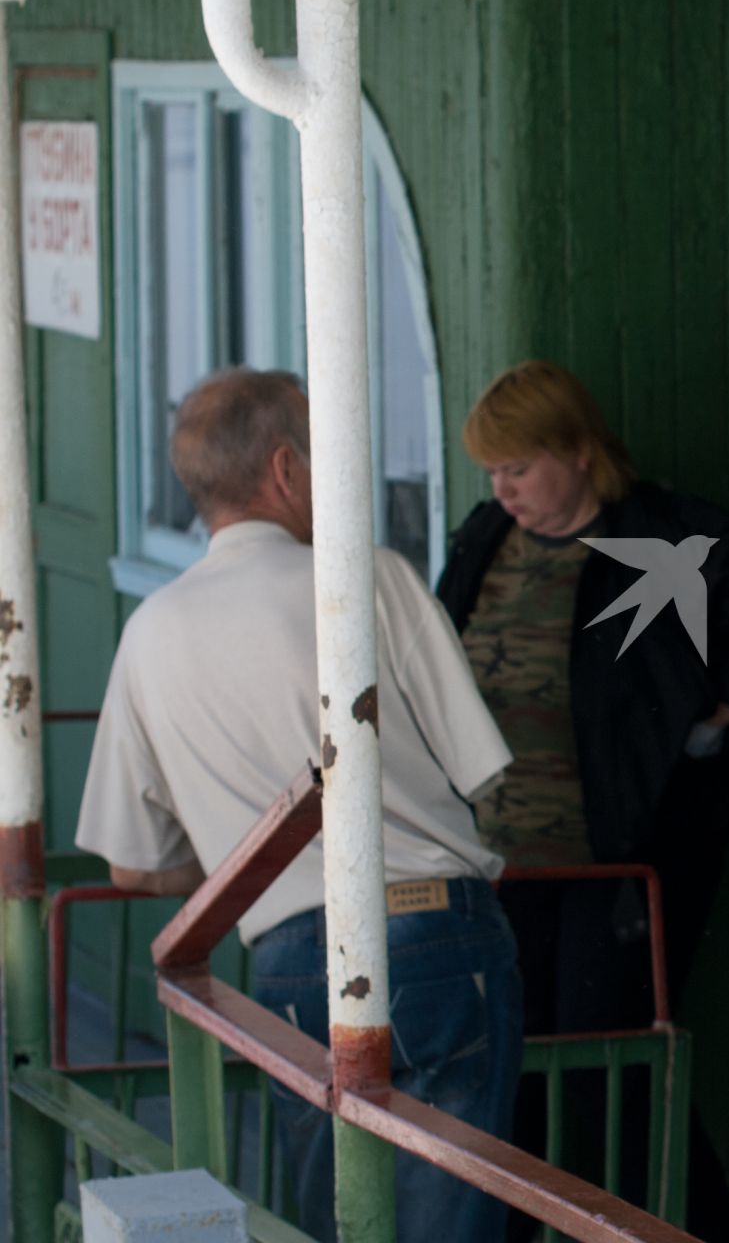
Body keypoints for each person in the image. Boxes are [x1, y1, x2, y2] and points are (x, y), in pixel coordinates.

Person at [75, 369, 523, 1242]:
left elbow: (132, 863)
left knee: (342, 1220)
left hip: (287, 963)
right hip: (436, 935)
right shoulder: (365, 580)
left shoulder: (149, 632)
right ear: (285, 468)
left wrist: (258, 858)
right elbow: (482, 773)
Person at [435, 360, 729, 1242]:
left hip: (621, 860)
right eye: (491, 473)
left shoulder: (670, 537)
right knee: (518, 1057)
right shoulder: (483, 537)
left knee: (610, 1061)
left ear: (577, 451)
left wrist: (711, 717)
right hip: (500, 860)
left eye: (519, 468)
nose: (503, 491)